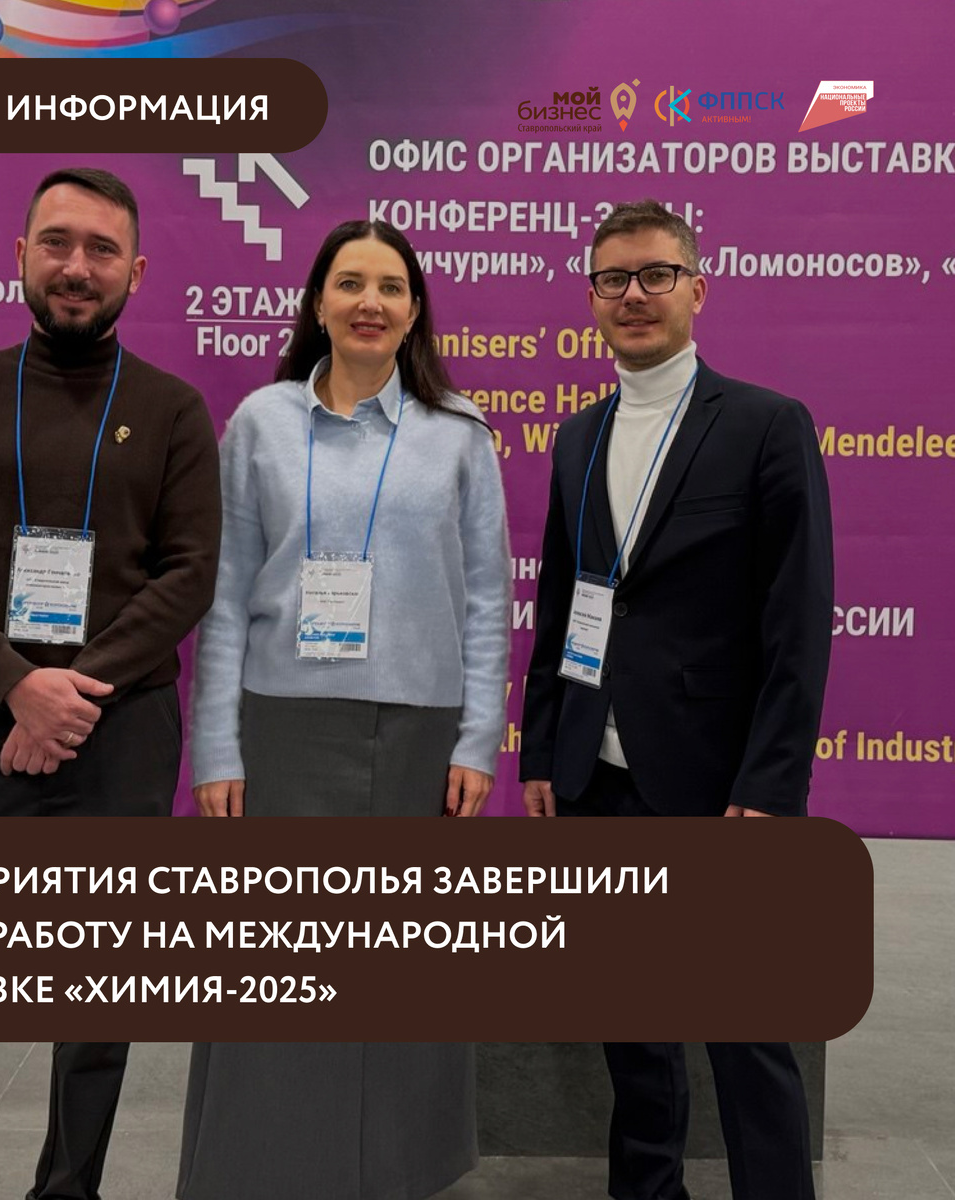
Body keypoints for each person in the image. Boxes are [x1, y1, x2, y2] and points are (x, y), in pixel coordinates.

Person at [0, 166, 221, 1200]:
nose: (78, 266)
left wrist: (69, 692)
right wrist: (15, 685)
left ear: (136, 271)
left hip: (120, 735)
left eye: (101, 249)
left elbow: (187, 574)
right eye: (59, 243)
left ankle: (68, 1190)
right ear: (21, 255)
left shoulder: (172, 410)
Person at [177, 219, 512, 1199]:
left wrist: (477, 741)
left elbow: (486, 598)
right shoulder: (259, 423)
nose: (371, 302)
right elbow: (226, 593)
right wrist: (216, 748)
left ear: (414, 311)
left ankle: (397, 1172)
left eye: (391, 287)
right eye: (350, 282)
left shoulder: (459, 434)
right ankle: (264, 1171)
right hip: (282, 729)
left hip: (418, 735)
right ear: (317, 302)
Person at [520, 199, 832, 1200]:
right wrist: (542, 752)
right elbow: (564, 601)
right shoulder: (578, 437)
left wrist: (770, 788)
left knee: (746, 1033)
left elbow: (796, 625)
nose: (634, 295)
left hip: (715, 786)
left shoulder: (765, 424)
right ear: (591, 299)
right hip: (596, 776)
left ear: (697, 289)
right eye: (613, 278)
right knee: (632, 1026)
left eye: (655, 274)